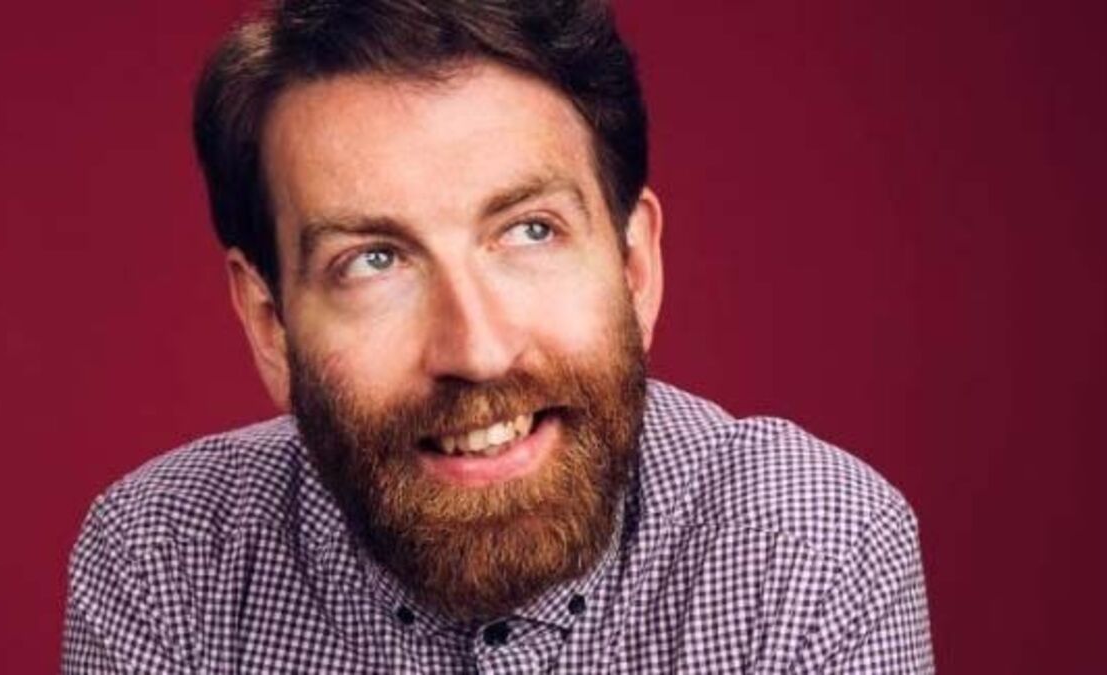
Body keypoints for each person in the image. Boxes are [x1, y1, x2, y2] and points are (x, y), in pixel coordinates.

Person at [62, 1, 933, 672]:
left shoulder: (810, 548)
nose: (476, 351)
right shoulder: (162, 565)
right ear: (270, 326)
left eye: (528, 231)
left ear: (635, 269)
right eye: (374, 261)